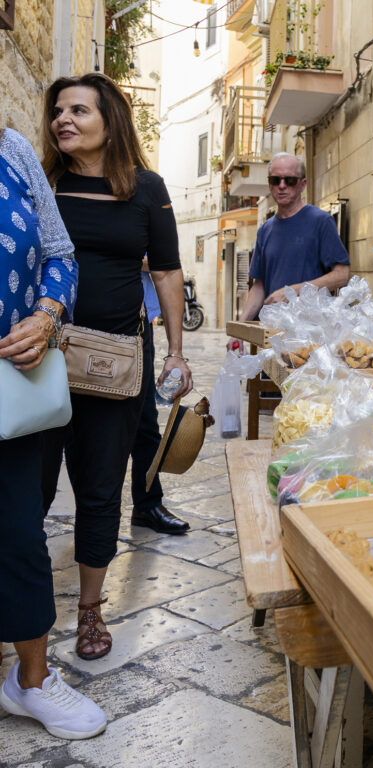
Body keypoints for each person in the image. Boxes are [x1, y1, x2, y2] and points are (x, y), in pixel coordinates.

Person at [40, 72, 193, 661]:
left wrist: (176, 350)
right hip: (41, 359)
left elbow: (167, 271)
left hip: (112, 364)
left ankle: (89, 610)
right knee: (29, 489)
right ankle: (21, 607)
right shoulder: (43, 183)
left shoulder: (145, 188)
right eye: (58, 111)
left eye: (79, 110)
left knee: (100, 490)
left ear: (110, 121)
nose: (64, 120)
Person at [0, 126, 106, 739]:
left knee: (16, 529)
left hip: (7, 386)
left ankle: (31, 680)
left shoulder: (12, 150)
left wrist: (45, 316)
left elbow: (59, 255)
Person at [237, 152, 350, 323]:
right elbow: (259, 286)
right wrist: (240, 327)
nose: (282, 186)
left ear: (302, 184)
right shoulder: (264, 230)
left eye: (289, 180)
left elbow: (342, 275)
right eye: (276, 180)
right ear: (269, 184)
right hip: (273, 331)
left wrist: (292, 291)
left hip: (312, 331)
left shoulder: (321, 221)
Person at [129, 257, 189, 534]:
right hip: (81, 318)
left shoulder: (144, 212)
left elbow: (163, 265)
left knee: (145, 419)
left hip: (136, 320)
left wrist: (175, 352)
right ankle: (92, 510)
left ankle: (148, 504)